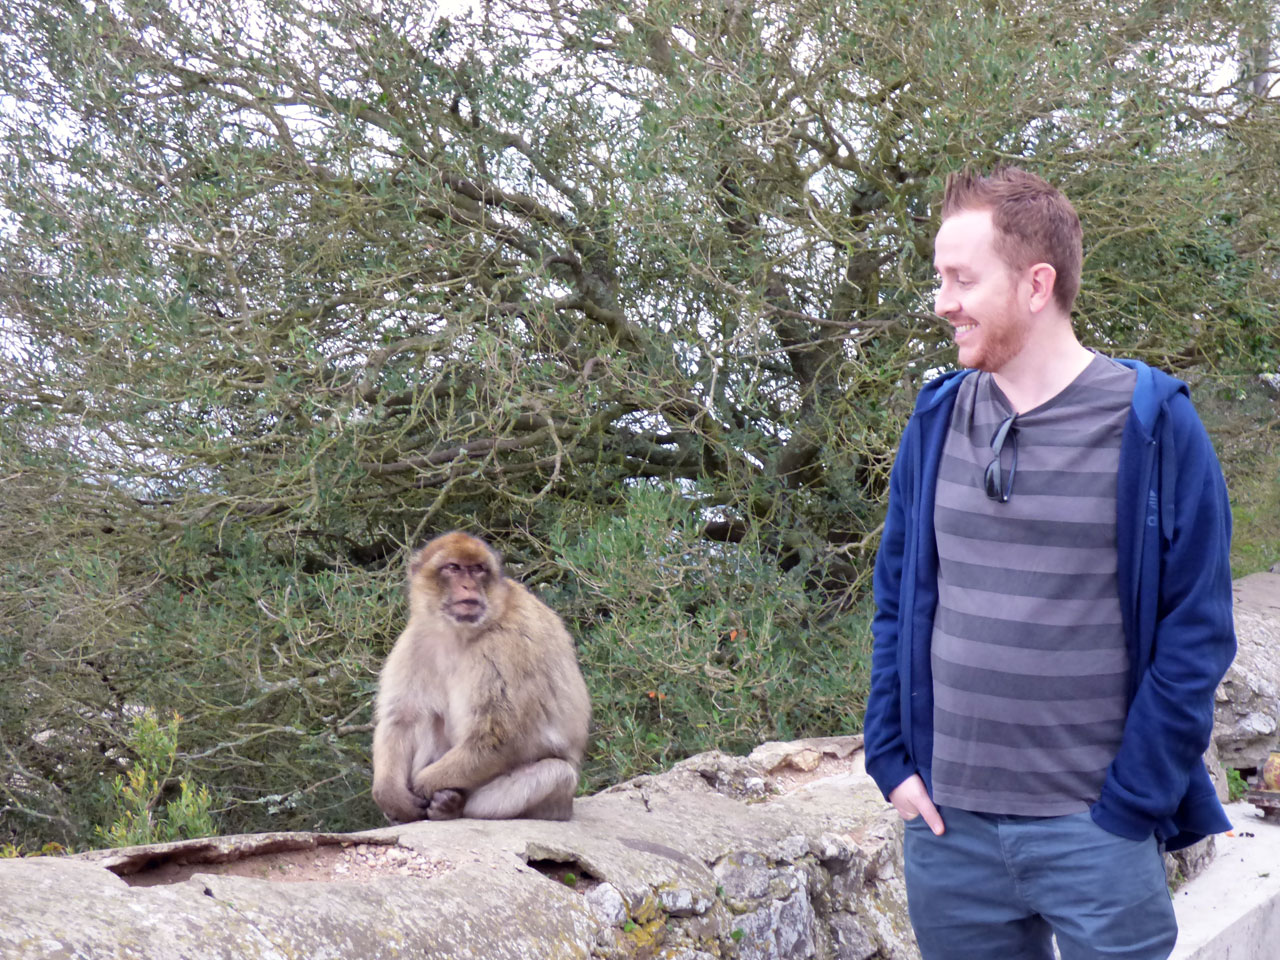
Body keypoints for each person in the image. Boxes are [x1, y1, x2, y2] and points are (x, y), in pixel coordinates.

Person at [862, 166, 1236, 960]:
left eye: (962, 279)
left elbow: (1197, 633)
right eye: (940, 279)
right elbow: (895, 600)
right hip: (948, 828)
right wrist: (890, 758)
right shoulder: (934, 422)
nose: (942, 303)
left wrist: (1132, 802)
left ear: (1037, 284)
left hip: (1094, 828)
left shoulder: (1155, 427)